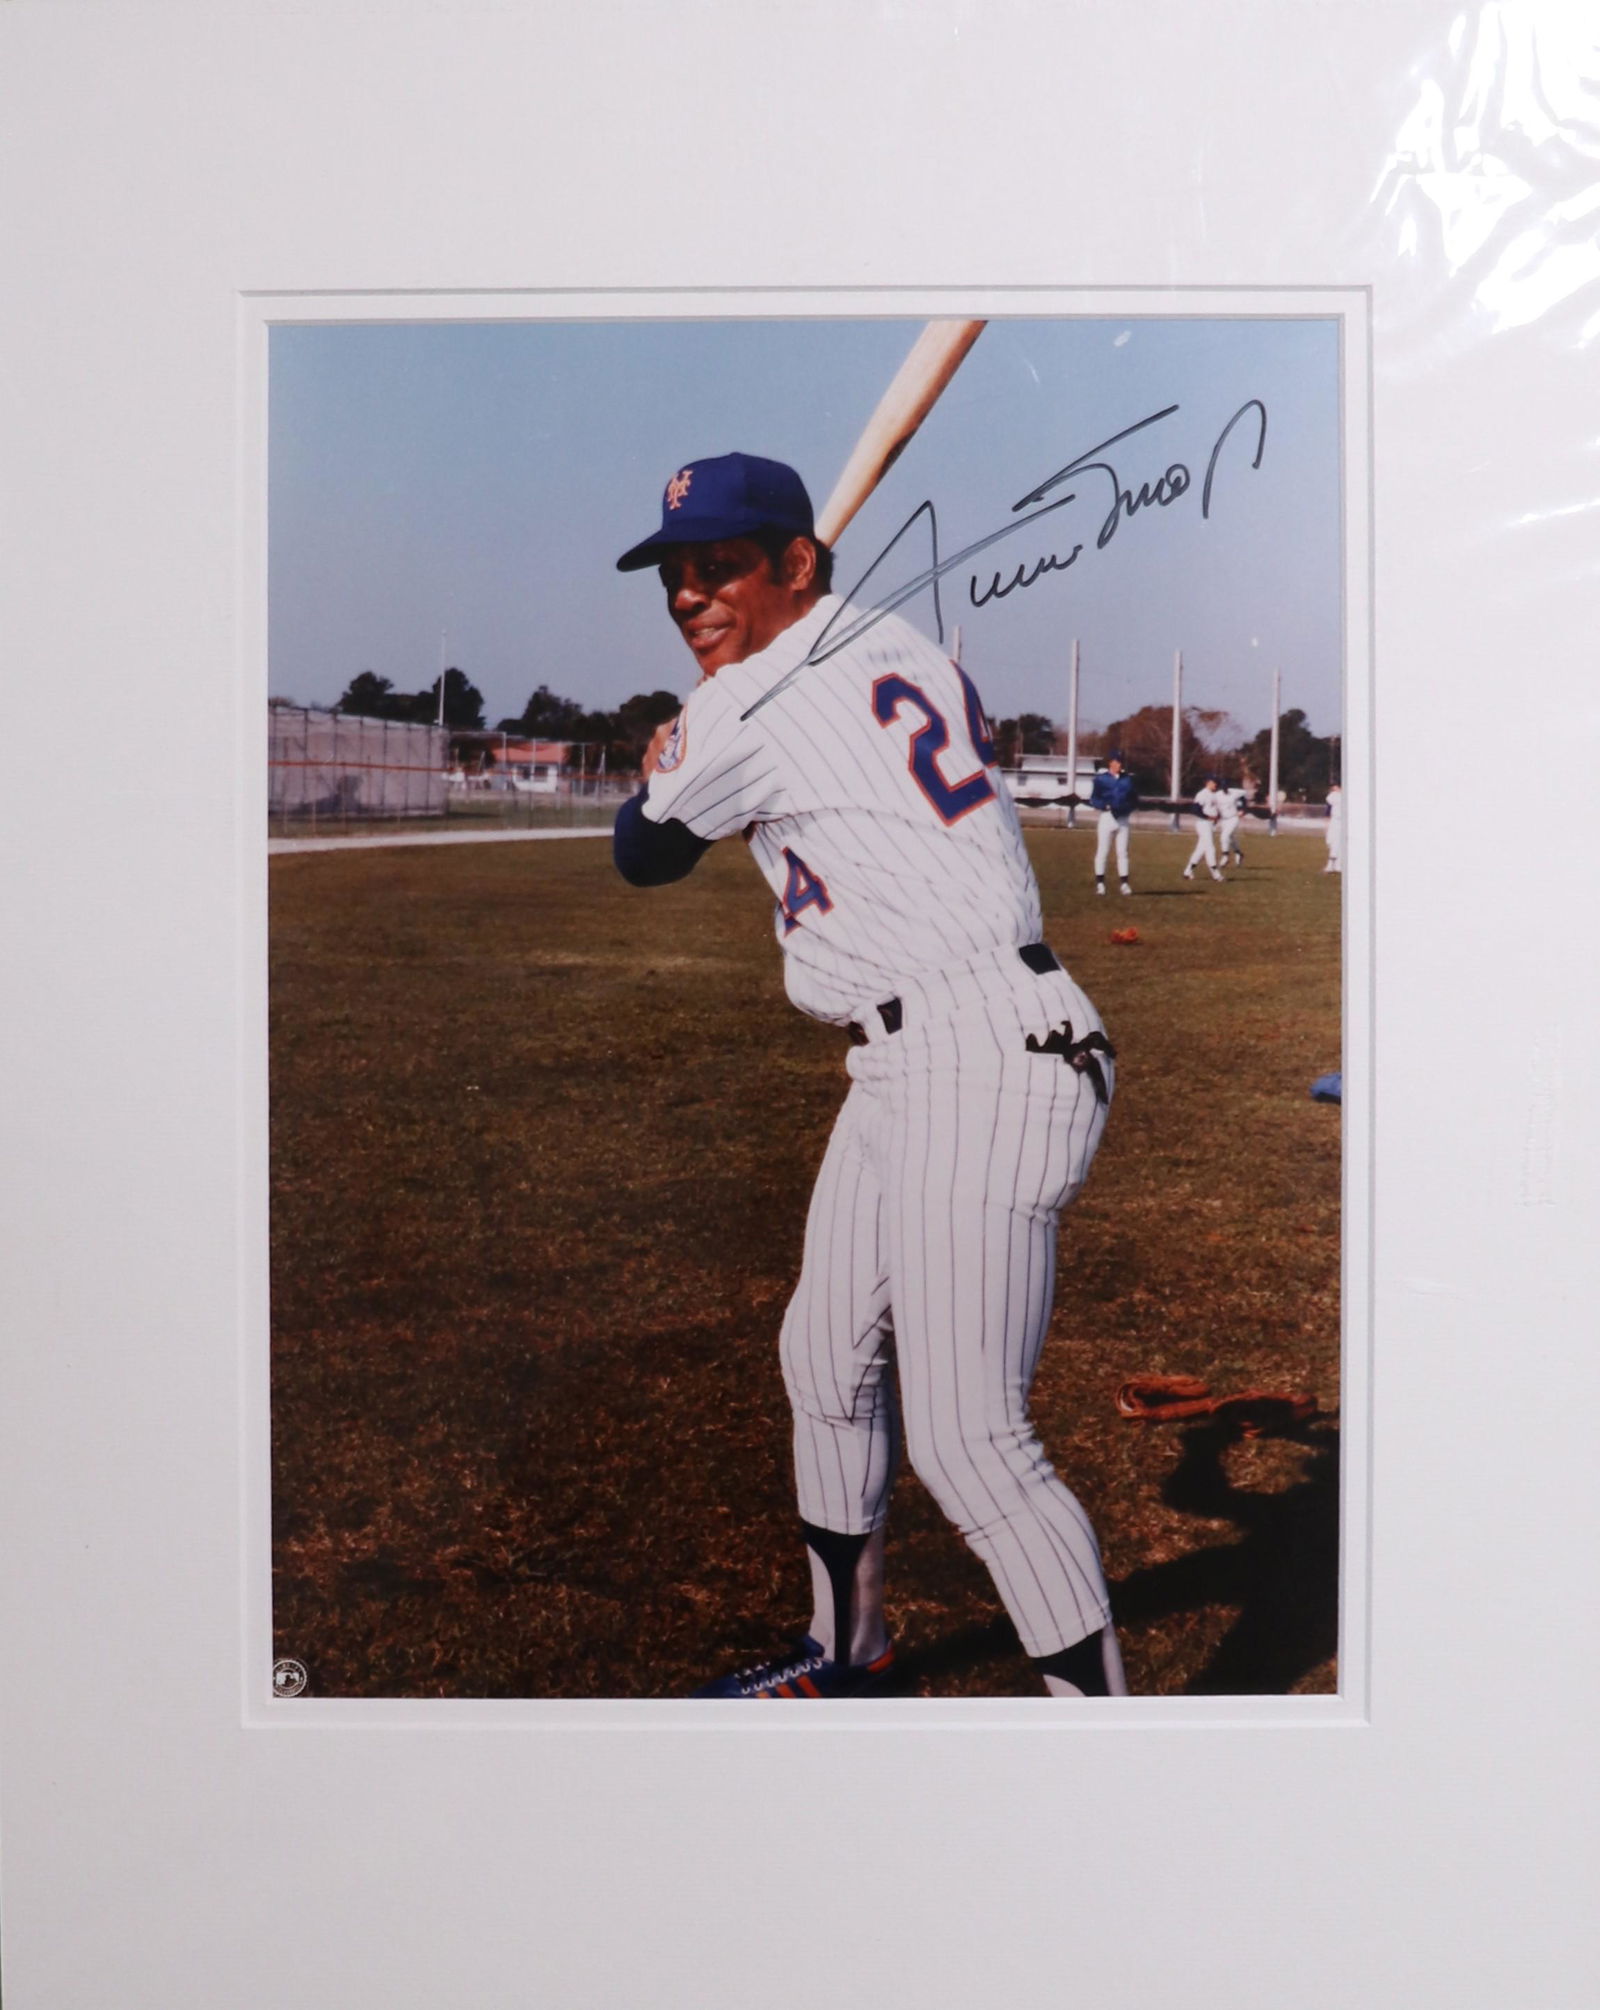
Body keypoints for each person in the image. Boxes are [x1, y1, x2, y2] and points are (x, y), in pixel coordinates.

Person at [612, 451, 1128, 1701]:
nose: (689, 597)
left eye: (720, 567)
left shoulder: (747, 704)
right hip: (911, 1052)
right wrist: (749, 643)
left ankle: (1116, 1755)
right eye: (676, 577)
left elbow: (642, 853)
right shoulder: (893, 641)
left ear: (797, 563)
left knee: (973, 1441)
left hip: (984, 1049)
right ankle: (848, 1653)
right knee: (822, 1358)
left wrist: (671, 748)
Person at [1088, 754, 1137, 896]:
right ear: (1110, 763)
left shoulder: (1127, 780)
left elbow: (1134, 799)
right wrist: (1104, 805)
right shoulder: (1101, 779)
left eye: (1120, 763)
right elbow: (1094, 799)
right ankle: (1100, 884)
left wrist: (1128, 808)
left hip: (1123, 818)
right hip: (1107, 817)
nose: (1119, 766)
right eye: (1116, 762)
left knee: (1123, 852)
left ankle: (1124, 883)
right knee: (1103, 851)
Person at [1183, 776, 1226, 881]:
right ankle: (1216, 874)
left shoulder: (1213, 795)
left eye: (1216, 782)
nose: (1216, 784)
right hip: (1203, 824)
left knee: (1200, 849)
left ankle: (1187, 871)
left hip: (1210, 824)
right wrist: (1209, 817)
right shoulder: (1202, 794)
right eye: (1214, 782)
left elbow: (1213, 809)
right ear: (1208, 782)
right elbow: (1195, 810)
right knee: (1210, 848)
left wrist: (1216, 816)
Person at [1219, 782, 1248, 867]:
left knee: (1224, 836)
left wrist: (1243, 809)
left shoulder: (1234, 792)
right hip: (1224, 819)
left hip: (1233, 818)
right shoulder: (1217, 794)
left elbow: (1243, 797)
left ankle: (1225, 856)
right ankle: (1239, 853)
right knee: (1231, 838)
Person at [1324, 782, 1343, 873]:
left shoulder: (1339, 796)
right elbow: (1328, 809)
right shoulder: (1334, 796)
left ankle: (1333, 865)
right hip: (1335, 821)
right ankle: (1335, 865)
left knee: (1337, 844)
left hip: (1341, 822)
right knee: (1332, 842)